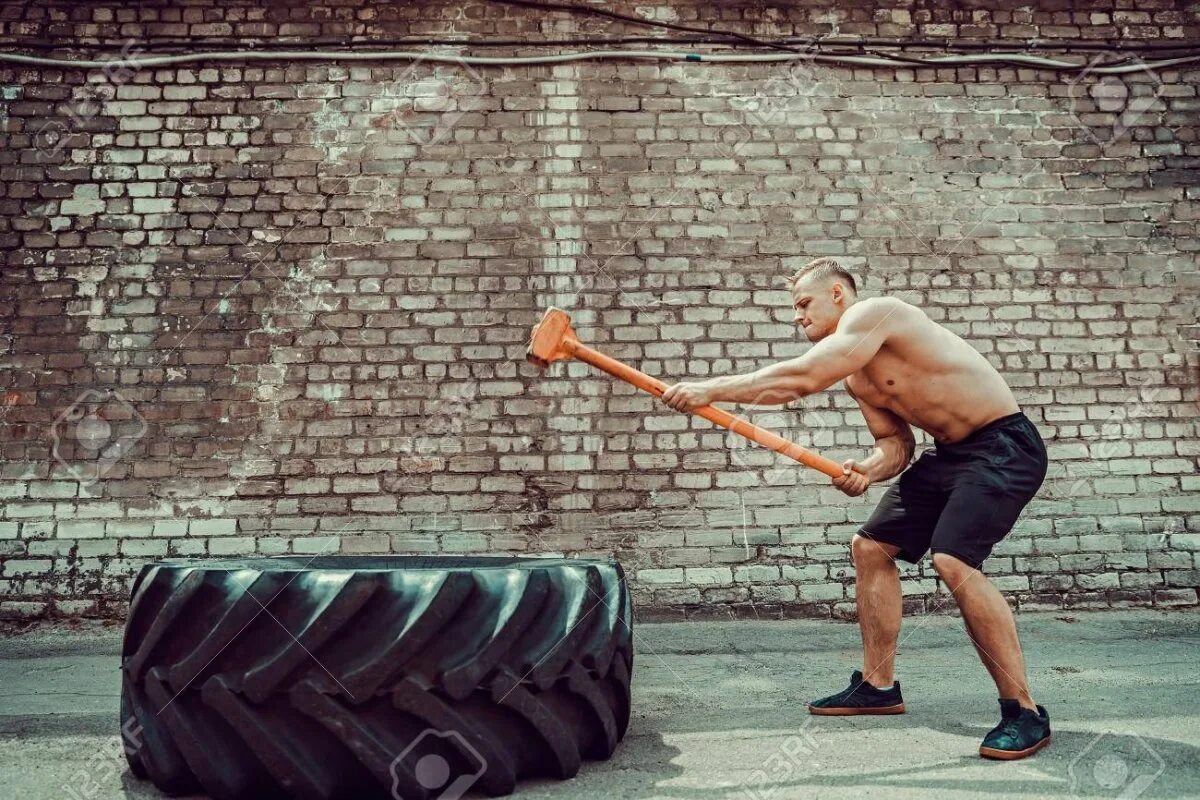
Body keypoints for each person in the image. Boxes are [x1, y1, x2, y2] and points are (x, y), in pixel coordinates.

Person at [661, 258, 1051, 760]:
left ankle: (1024, 712)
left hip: (1003, 445)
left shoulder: (878, 314)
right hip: (950, 455)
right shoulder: (859, 380)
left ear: (840, 296)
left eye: (804, 304)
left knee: (952, 559)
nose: (797, 317)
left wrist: (710, 390)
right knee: (869, 547)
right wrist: (868, 468)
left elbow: (801, 379)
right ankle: (878, 686)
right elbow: (896, 444)